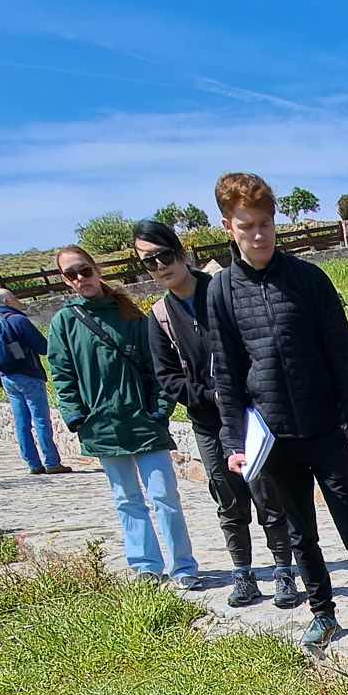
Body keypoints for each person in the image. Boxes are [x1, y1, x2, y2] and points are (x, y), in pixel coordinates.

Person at [207, 170, 348, 652]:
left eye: (265, 225)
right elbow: (228, 375)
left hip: (324, 429)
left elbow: (342, 356)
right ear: (228, 227)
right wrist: (235, 442)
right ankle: (323, 613)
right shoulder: (220, 292)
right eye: (246, 225)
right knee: (301, 534)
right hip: (272, 436)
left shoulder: (309, 280)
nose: (258, 235)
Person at [137, 219, 292, 609]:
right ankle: (243, 573)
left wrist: (240, 389)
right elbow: (167, 378)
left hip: (251, 415)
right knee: (227, 495)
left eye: (164, 256)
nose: (159, 267)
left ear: (182, 252)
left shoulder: (223, 291)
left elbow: (256, 344)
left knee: (267, 492)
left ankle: (284, 570)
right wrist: (209, 393)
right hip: (208, 420)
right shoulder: (158, 317)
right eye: (148, 263)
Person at [43, 245, 200, 588]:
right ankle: (146, 564)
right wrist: (77, 417)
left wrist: (160, 410)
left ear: (96, 269)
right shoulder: (65, 323)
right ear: (64, 280)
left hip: (144, 421)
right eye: (72, 274)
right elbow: (62, 373)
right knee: (127, 499)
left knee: (164, 496)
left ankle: (184, 567)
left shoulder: (129, 314)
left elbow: (157, 365)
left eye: (84, 270)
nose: (81, 278)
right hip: (103, 425)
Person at [0, 288, 69, 477]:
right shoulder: (18, 320)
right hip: (28, 375)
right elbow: (43, 347)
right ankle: (52, 462)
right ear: (7, 300)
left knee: (21, 422)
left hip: (7, 377)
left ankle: (33, 463)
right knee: (40, 420)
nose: (17, 299)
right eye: (13, 297)